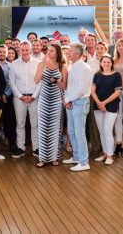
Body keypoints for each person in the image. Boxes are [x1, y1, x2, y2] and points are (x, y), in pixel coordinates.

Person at [34, 44, 68, 168]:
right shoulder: (41, 64)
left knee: (55, 130)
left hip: (56, 101)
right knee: (43, 129)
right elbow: (36, 80)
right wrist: (43, 64)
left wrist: (58, 82)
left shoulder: (62, 67)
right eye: (48, 50)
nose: (48, 52)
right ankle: (42, 158)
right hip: (43, 100)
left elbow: (64, 86)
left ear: (58, 53)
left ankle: (54, 157)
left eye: (52, 51)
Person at [63, 43, 93, 172]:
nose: (68, 53)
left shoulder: (84, 68)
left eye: (70, 51)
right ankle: (76, 157)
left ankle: (84, 162)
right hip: (71, 102)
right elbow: (69, 86)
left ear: (78, 54)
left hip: (80, 102)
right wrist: (67, 100)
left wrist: (67, 99)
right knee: (71, 132)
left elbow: (81, 89)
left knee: (79, 133)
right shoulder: (72, 66)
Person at [9, 41, 42, 157]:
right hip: (19, 98)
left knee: (35, 124)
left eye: (27, 50)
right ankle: (21, 147)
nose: (24, 52)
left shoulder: (38, 63)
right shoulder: (14, 64)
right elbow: (11, 82)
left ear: (31, 50)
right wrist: (21, 96)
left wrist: (33, 96)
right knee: (20, 124)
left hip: (34, 97)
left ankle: (36, 148)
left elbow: (40, 81)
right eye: (22, 50)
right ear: (20, 50)